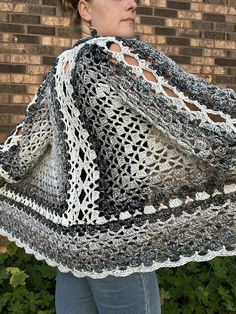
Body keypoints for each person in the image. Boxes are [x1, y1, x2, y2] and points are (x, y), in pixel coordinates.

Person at [0, 0, 235, 313]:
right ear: (85, 10)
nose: (131, 3)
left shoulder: (61, 70)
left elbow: (19, 156)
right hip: (117, 243)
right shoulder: (113, 54)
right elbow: (197, 119)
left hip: (72, 248)